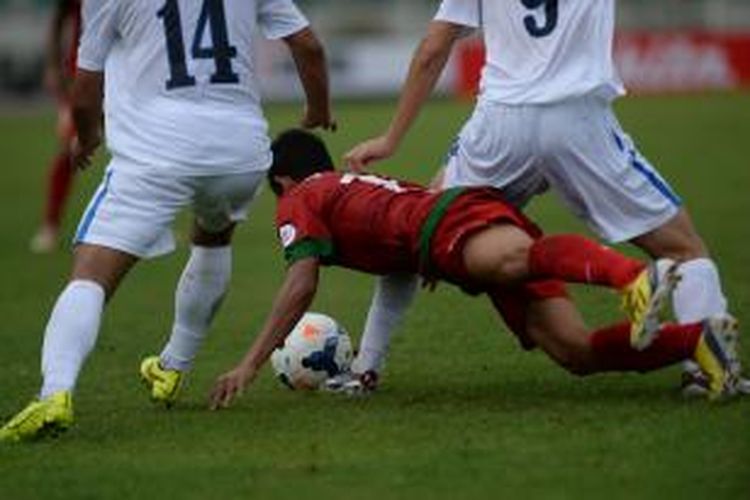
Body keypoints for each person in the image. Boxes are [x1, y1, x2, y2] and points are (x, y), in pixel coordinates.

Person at [343, 0, 746, 397]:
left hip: (500, 126)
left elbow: (433, 48)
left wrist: (391, 138)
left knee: (424, 223)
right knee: (683, 248)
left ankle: (366, 369)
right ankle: (709, 368)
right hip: (577, 120)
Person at [207, 130, 739, 409]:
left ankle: (633, 278)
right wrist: (367, 369)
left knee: (511, 258)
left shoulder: (299, 198)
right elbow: (397, 273)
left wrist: (250, 363)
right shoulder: (347, 191)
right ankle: (697, 342)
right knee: (573, 350)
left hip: (449, 221)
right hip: (441, 230)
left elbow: (301, 282)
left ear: (281, 181)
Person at [0, 0, 333, 442]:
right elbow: (308, 46)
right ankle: (173, 365)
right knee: (213, 238)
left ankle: (55, 392)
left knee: (90, 275)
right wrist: (317, 109)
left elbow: (85, 88)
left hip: (156, 152)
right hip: (239, 151)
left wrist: (88, 136)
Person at [30, 0, 81, 254]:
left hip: (128, 74)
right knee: (69, 149)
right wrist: (53, 66)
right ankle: (50, 225)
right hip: (80, 76)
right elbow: (59, 19)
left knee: (141, 149)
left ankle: (151, 226)